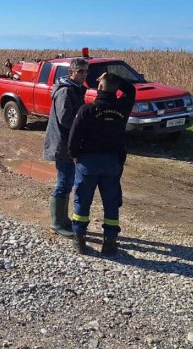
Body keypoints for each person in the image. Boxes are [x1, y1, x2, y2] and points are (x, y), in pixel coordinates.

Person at [67, 72, 136, 256]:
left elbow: (74, 137)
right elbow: (131, 90)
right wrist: (115, 78)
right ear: (115, 89)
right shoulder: (123, 107)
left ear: (99, 87)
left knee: (82, 200)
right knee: (111, 202)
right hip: (112, 162)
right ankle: (110, 243)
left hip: (88, 162)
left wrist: (74, 155)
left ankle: (79, 239)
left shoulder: (87, 110)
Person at [43, 57, 89, 237]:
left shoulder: (76, 90)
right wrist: (82, 126)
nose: (83, 75)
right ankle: (56, 223)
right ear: (71, 73)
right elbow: (65, 119)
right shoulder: (66, 92)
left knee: (67, 182)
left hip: (68, 143)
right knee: (64, 182)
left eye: (86, 71)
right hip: (62, 144)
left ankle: (62, 220)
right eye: (80, 71)